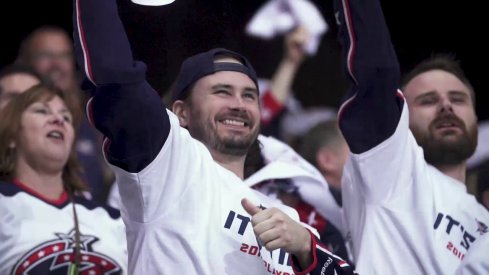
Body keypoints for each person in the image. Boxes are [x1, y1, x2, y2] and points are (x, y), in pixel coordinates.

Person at [72, 0, 356, 274]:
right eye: (222, 92)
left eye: (249, 96)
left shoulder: (288, 220)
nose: (238, 104)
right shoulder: (168, 167)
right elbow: (116, 77)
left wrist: (308, 249)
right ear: (182, 113)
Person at [333, 0, 489, 274]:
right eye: (428, 101)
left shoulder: (484, 220)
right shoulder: (391, 170)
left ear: (476, 118)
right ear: (401, 118)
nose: (446, 106)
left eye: (458, 99)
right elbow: (374, 73)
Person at [0, 84, 127, 274]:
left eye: (66, 117)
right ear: (11, 136)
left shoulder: (112, 219)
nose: (58, 119)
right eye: (42, 111)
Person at [16, 25, 113, 203]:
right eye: (45, 55)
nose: (56, 65)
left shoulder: (96, 119)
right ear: (25, 62)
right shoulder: (11, 118)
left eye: (64, 56)